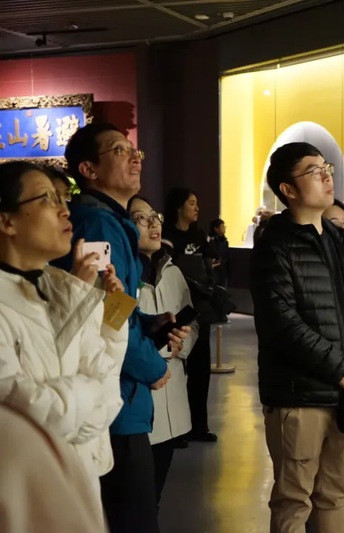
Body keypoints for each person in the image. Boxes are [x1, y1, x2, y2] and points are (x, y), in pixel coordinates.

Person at [56, 122, 189, 533]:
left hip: (120, 395)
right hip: (112, 399)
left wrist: (147, 322)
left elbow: (111, 304)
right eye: (118, 150)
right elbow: (96, 314)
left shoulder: (111, 223)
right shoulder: (97, 226)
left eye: (134, 150)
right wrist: (152, 365)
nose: (134, 157)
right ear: (88, 169)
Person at [251, 142, 344, 533]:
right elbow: (282, 322)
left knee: (336, 495)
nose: (326, 176)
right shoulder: (275, 245)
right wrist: (338, 366)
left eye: (326, 168)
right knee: (294, 499)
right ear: (287, 189)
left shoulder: (342, 242)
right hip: (300, 393)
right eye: (313, 171)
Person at [0, 160, 126, 501]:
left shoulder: (64, 288)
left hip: (79, 485)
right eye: (47, 199)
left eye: (62, 199)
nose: (65, 210)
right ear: (7, 221)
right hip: (23, 499)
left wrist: (115, 311)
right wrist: (91, 391)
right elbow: (25, 420)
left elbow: (109, 386)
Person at [129, 195, 198, 507]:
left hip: (172, 400)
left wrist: (182, 344)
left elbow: (191, 320)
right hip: (138, 399)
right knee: (135, 500)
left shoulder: (173, 271)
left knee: (153, 495)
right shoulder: (120, 275)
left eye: (154, 216)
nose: (153, 224)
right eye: (141, 219)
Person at [163, 187, 218, 443]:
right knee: (174, 369)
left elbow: (209, 264)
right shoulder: (167, 237)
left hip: (200, 312)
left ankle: (199, 426)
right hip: (175, 312)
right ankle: (176, 429)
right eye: (192, 203)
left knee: (200, 371)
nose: (197, 208)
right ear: (179, 207)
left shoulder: (199, 235)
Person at [0, 403, 108, 532]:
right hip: (57, 457)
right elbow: (61, 416)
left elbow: (106, 408)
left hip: (80, 459)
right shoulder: (20, 443)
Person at [209, 218, 230, 286]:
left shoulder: (224, 241)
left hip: (224, 267)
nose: (224, 228)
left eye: (224, 226)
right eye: (222, 226)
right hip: (215, 268)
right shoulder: (211, 240)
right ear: (216, 229)